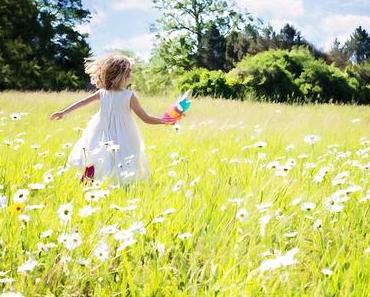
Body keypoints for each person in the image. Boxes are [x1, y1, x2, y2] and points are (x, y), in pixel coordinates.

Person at [49, 54, 175, 185]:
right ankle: (116, 184)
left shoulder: (103, 93)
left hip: (102, 130)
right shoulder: (128, 96)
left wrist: (63, 112)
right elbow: (146, 118)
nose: (130, 76)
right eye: (129, 73)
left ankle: (95, 181)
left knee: (97, 154)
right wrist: (164, 120)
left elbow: (82, 103)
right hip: (122, 133)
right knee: (122, 158)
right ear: (122, 75)